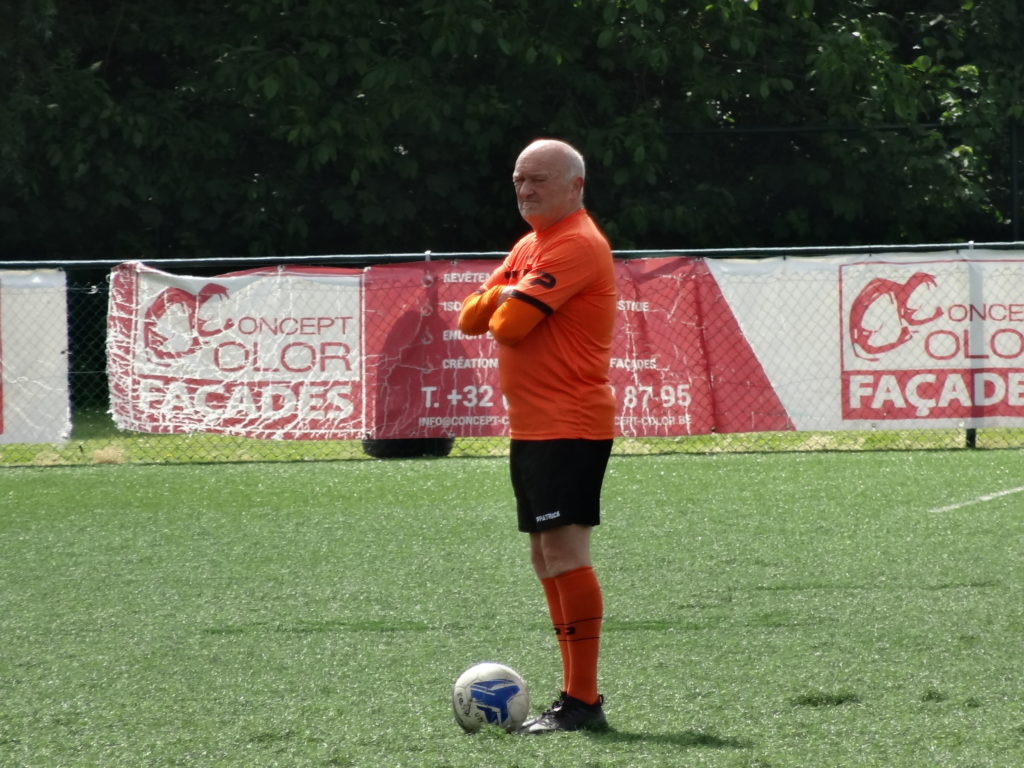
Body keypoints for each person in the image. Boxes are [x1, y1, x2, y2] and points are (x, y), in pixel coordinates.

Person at [457, 138, 616, 733]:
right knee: (545, 555)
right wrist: (504, 292)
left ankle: (583, 701)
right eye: (519, 180)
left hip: (569, 423)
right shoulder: (531, 244)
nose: (525, 190)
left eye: (539, 180)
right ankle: (576, 698)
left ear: (575, 185)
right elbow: (468, 317)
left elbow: (509, 325)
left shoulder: (575, 242)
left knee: (566, 554)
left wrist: (501, 294)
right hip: (534, 426)